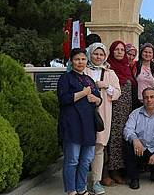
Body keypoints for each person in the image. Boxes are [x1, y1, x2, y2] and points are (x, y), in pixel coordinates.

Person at [57, 48, 102, 195]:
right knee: (72, 160)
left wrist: (97, 99)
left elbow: (97, 99)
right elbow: (63, 99)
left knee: (86, 160)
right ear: (71, 61)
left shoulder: (88, 80)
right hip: (72, 125)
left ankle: (81, 188)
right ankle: (71, 190)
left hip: (88, 126)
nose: (80, 62)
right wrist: (83, 93)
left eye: (83, 59)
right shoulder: (66, 78)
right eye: (77, 59)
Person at [84, 42, 122, 194]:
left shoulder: (109, 73)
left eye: (101, 54)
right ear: (90, 54)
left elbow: (117, 93)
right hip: (84, 112)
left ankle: (96, 181)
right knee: (84, 146)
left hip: (103, 112)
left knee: (99, 147)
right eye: (95, 54)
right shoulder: (83, 70)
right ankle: (80, 180)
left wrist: (106, 86)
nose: (98, 57)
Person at [123, 88, 154, 189]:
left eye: (152, 97)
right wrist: (135, 140)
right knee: (128, 145)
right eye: (146, 97)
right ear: (143, 100)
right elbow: (127, 130)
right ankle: (134, 178)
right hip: (140, 149)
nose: (149, 100)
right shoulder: (135, 114)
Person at [105, 40, 136, 185]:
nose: (119, 52)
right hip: (112, 109)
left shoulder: (126, 67)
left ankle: (121, 168)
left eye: (122, 50)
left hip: (126, 111)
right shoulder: (108, 68)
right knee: (113, 140)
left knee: (122, 138)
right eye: (116, 49)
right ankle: (111, 170)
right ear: (111, 51)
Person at [135, 43, 154, 108]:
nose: (147, 54)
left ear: (153, 54)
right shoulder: (135, 65)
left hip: (150, 101)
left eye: (150, 52)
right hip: (137, 100)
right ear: (141, 52)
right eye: (145, 52)